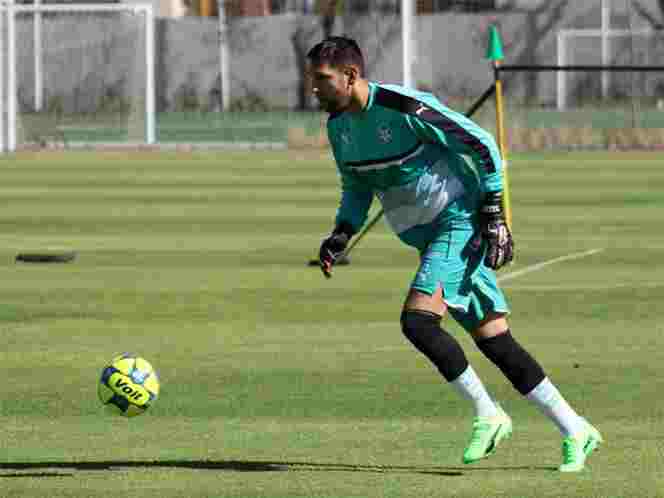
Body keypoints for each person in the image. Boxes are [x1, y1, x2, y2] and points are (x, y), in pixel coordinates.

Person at [307, 36, 602, 472]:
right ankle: (576, 428)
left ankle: (489, 414)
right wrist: (341, 233)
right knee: (495, 340)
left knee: (418, 322)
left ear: (350, 77)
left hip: (459, 223)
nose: (314, 88)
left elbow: (482, 144)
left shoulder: (405, 107)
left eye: (322, 79)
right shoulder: (339, 127)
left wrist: (494, 212)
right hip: (427, 238)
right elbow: (357, 186)